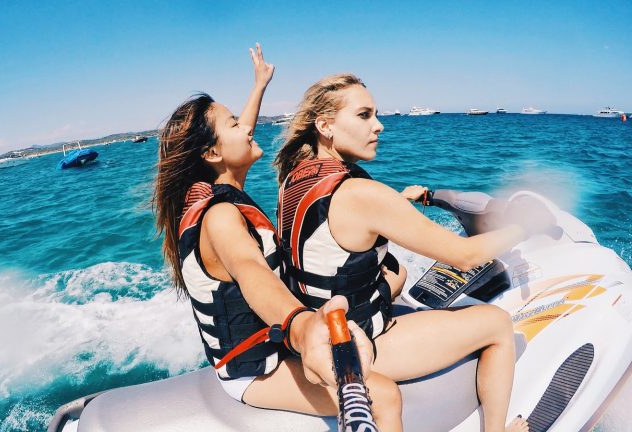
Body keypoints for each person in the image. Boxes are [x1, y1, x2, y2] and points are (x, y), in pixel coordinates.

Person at [274, 73, 544, 432]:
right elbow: (464, 255)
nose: (379, 126)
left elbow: (331, 235)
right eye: (364, 115)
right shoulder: (361, 194)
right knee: (496, 324)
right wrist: (523, 226)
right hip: (356, 343)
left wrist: (395, 205)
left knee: (396, 276)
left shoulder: (293, 178)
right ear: (325, 126)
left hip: (315, 333)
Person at [152, 48, 404, 430]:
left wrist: (259, 85)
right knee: (384, 397)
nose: (247, 128)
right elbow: (252, 272)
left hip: (270, 344)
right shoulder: (220, 217)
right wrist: (301, 327)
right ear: (213, 152)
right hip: (254, 369)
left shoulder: (221, 184)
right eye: (235, 123)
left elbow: (237, 141)